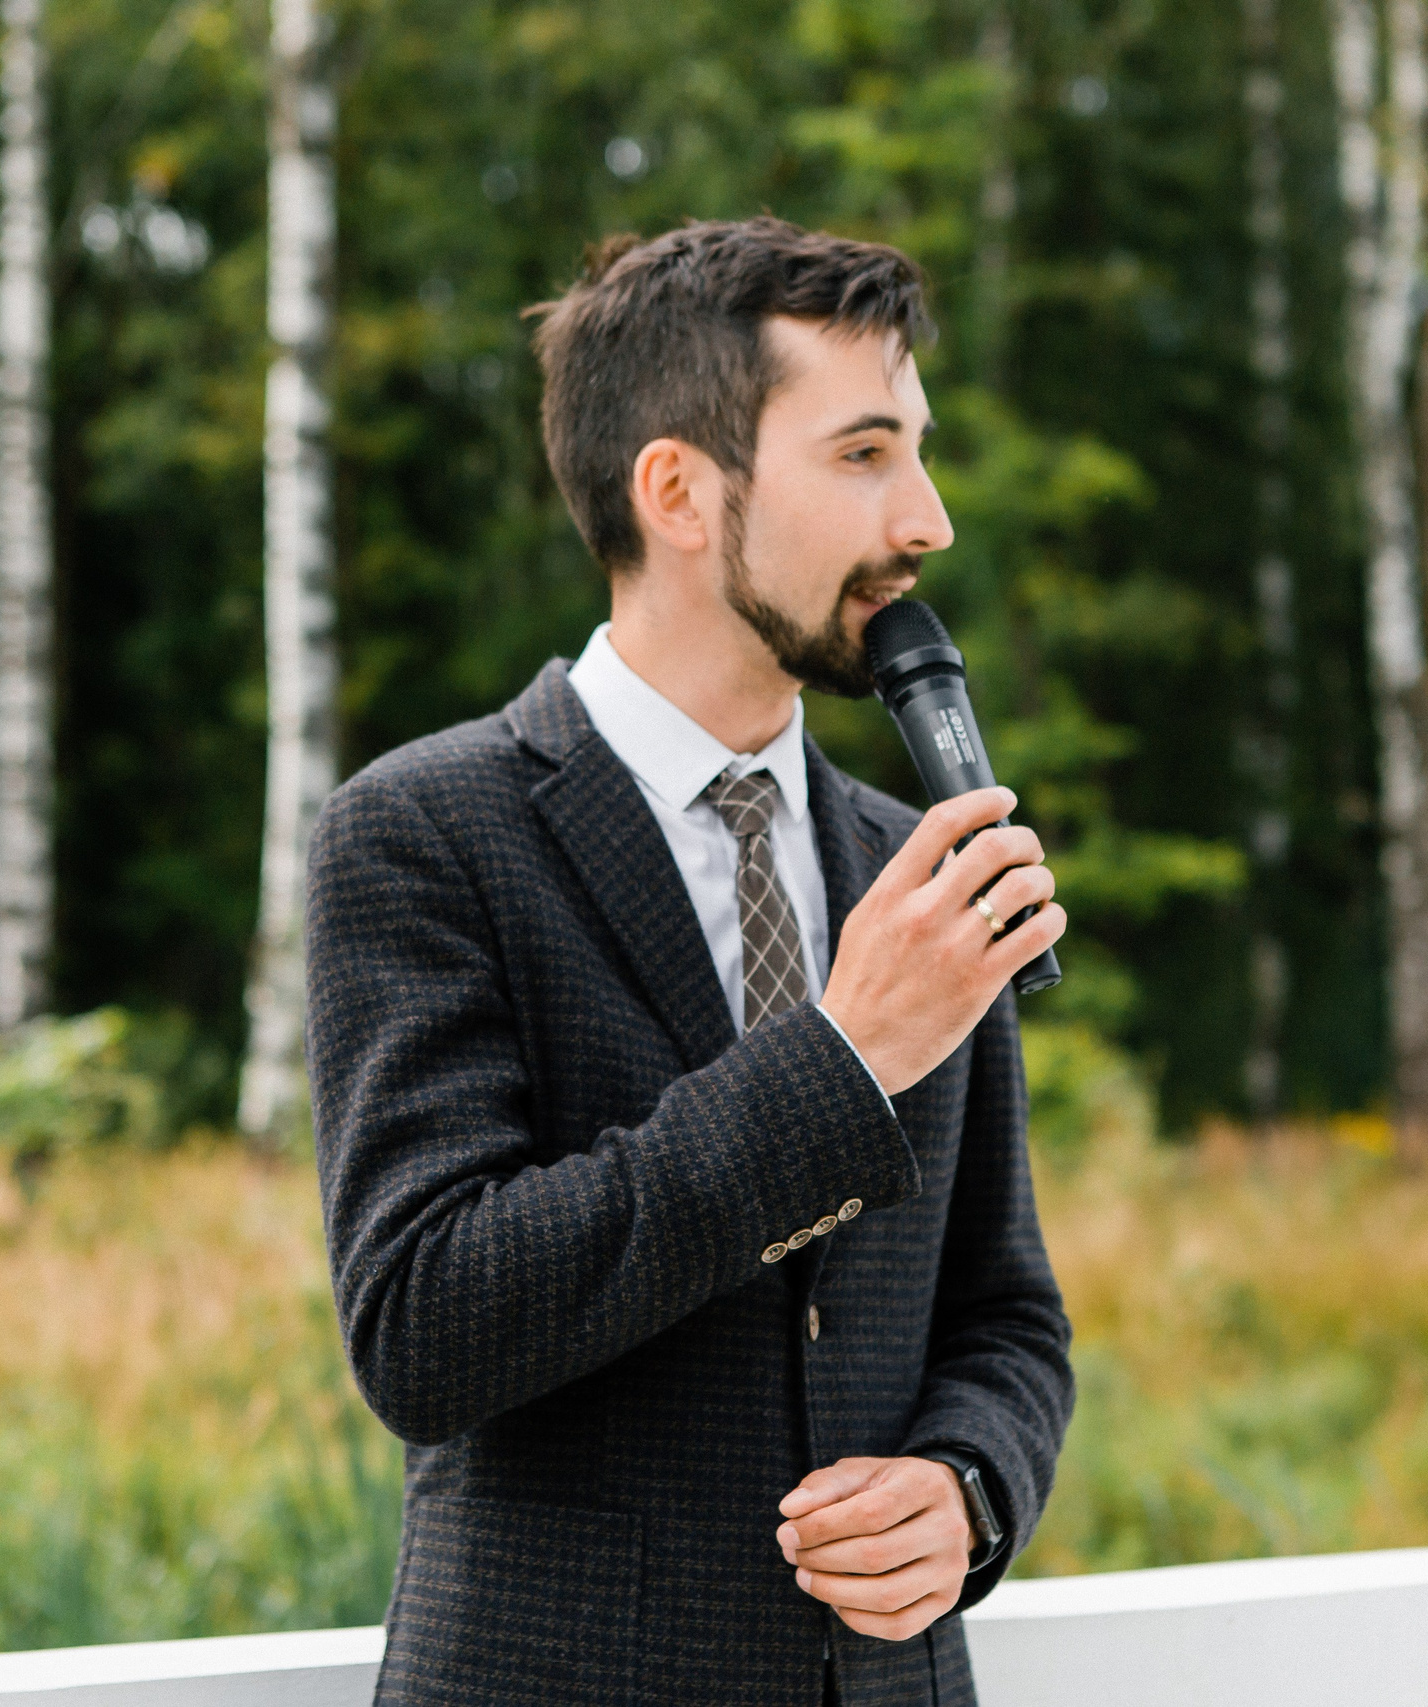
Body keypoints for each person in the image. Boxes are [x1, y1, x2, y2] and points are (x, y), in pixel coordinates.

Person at [306, 216, 1075, 1707]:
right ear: (677, 489)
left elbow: (1008, 1316)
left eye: (917, 451)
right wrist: (840, 1064)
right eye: (864, 456)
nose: (928, 519)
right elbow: (424, 1326)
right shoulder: (420, 834)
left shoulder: (909, 863)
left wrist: (974, 1490)